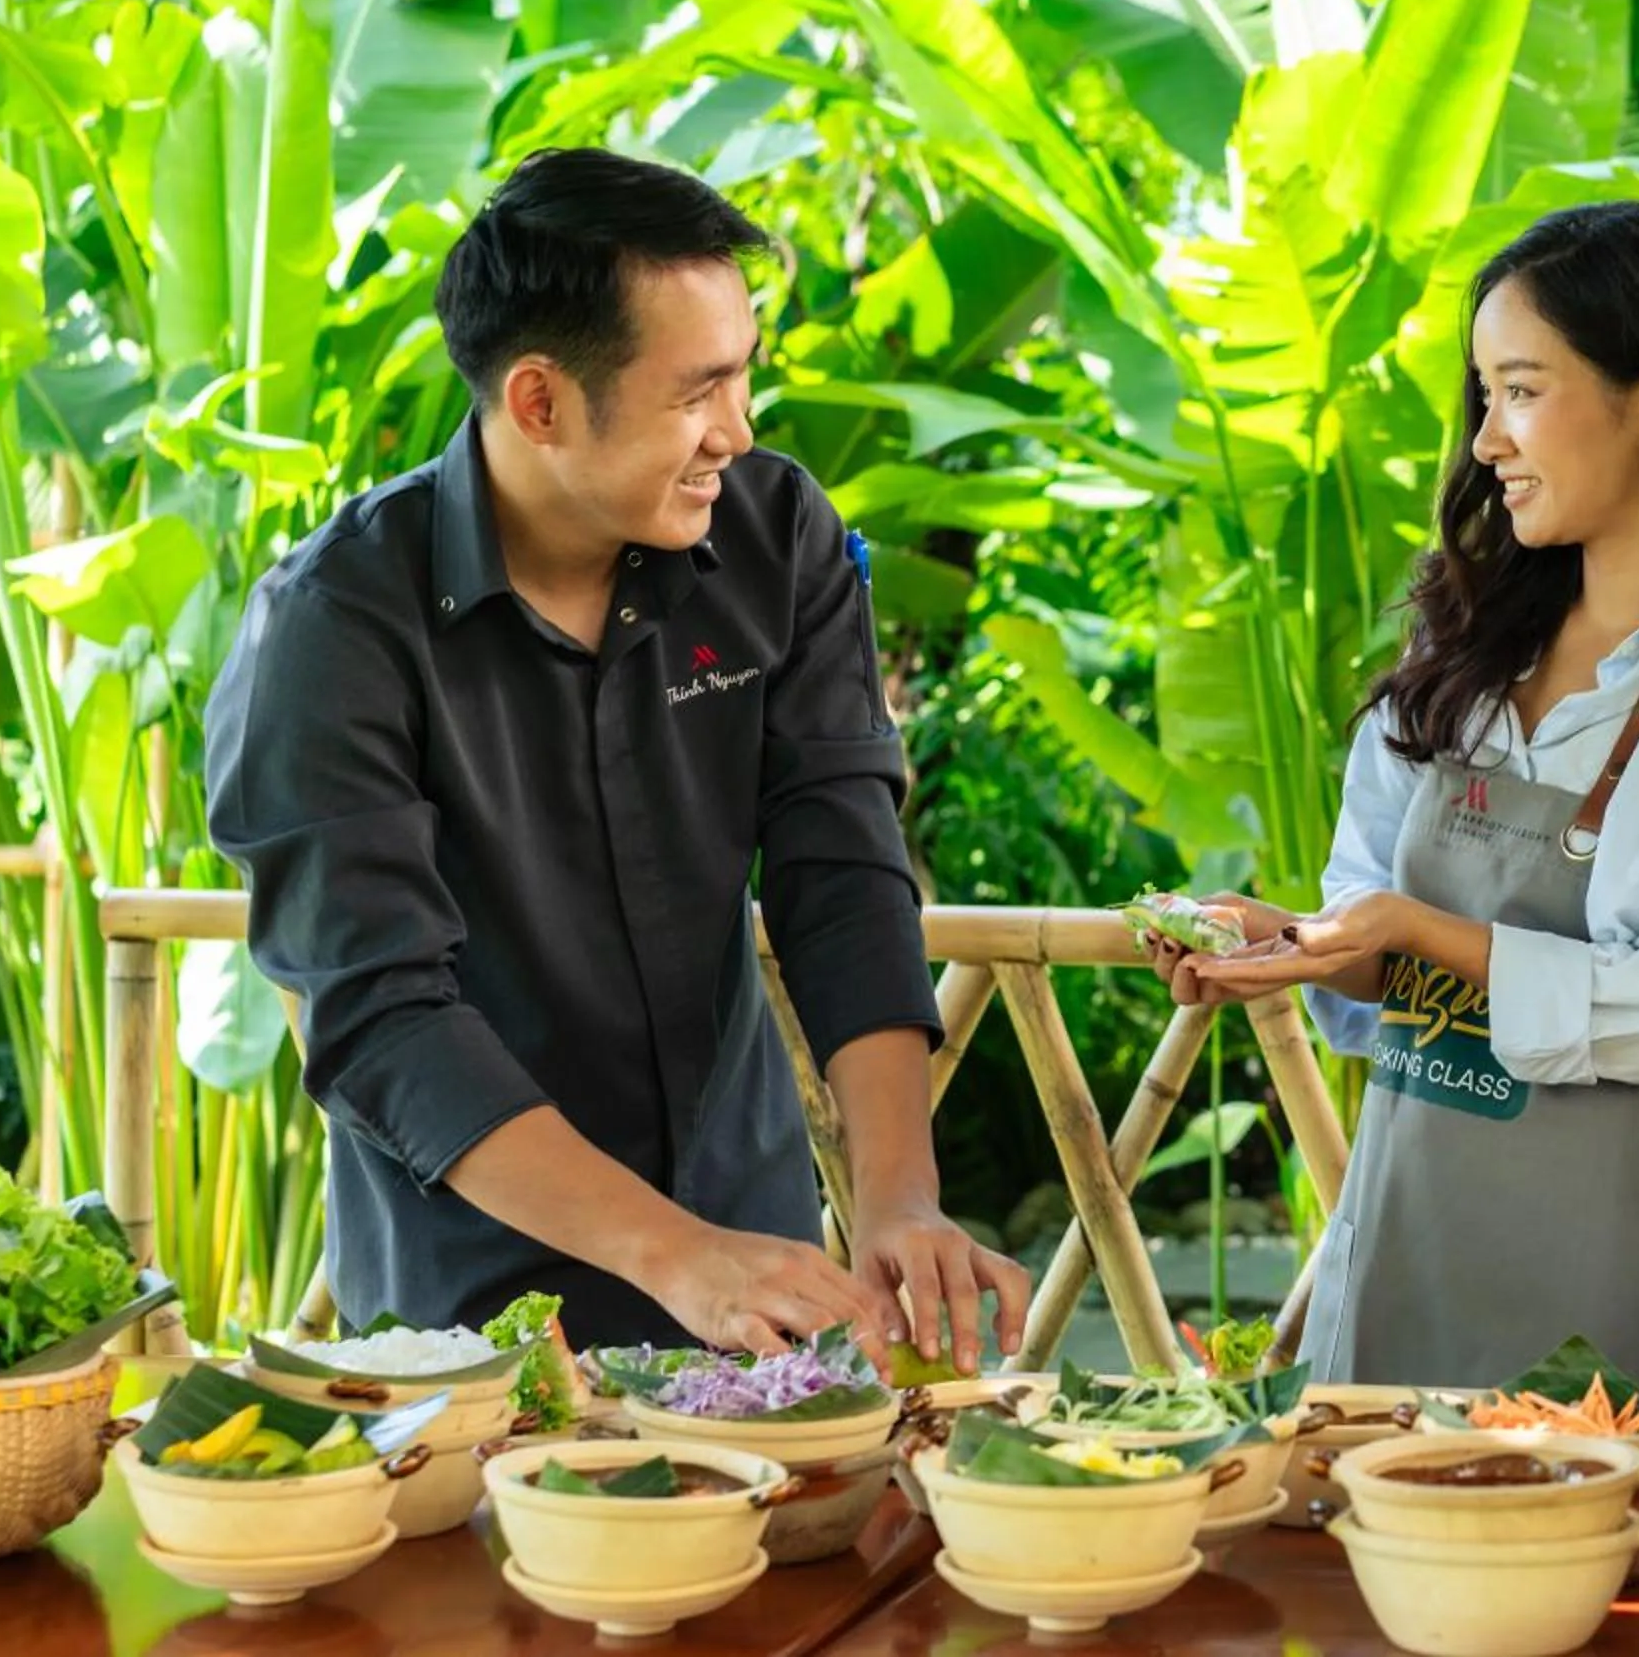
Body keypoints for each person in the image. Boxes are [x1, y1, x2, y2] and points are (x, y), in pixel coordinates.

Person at [207, 148, 1028, 1367]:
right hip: (476, 1302)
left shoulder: (776, 536)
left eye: (744, 378)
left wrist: (898, 1196)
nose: (737, 433)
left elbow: (841, 869)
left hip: (762, 1265)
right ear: (539, 401)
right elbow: (384, 1015)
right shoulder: (332, 627)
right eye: (698, 393)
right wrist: (670, 1252)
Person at [1148, 202, 1639, 1399]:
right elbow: (1376, 954)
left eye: (1520, 390)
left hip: (1621, 1275)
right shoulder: (1457, 658)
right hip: (1405, 1241)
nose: (1485, 442)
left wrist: (1416, 931)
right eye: (1481, 398)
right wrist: (1296, 948)